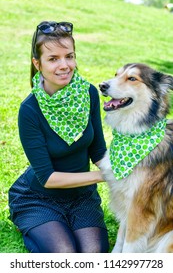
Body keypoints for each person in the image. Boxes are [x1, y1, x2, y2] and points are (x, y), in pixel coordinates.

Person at [8, 21, 109, 253]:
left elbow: (98, 151)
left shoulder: (89, 93)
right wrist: (104, 175)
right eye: (53, 59)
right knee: (64, 256)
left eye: (69, 56)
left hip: (82, 198)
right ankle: (34, 223)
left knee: (93, 257)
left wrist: (124, 165)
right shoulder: (30, 109)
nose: (64, 65)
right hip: (39, 197)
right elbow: (47, 178)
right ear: (38, 63)